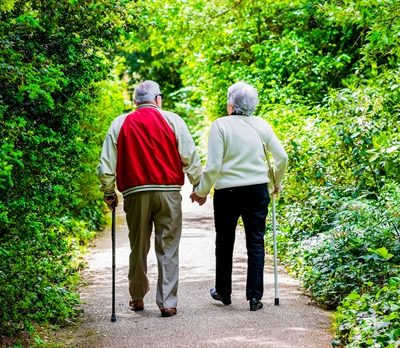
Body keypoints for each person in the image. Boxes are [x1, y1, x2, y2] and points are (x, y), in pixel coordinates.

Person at [96, 80, 203, 317]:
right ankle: (168, 302)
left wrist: (108, 191)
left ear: (135, 102)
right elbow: (190, 156)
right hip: (168, 192)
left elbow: (106, 164)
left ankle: (137, 297)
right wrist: (199, 186)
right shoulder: (173, 119)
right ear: (158, 100)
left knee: (138, 246)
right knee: (168, 247)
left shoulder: (120, 122)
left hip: (135, 193)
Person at [190, 82, 288, 311]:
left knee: (224, 242)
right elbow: (281, 157)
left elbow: (213, 167)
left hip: (228, 193)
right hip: (257, 190)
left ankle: (223, 292)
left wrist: (201, 192)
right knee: (256, 242)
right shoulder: (262, 124)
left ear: (231, 104)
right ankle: (254, 297)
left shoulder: (220, 125)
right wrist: (275, 182)